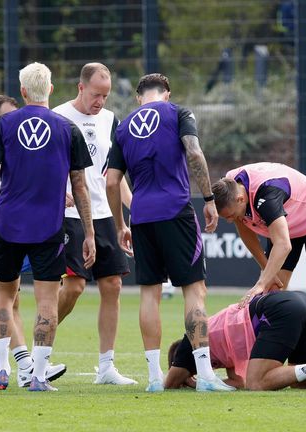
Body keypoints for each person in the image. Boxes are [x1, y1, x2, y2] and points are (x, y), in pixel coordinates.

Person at [0, 62, 96, 392]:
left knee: (3, 296)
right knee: (46, 301)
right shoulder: (68, 128)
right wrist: (90, 232)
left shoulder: (4, 125)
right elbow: (80, 186)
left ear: (23, 91)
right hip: (48, 227)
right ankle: (38, 376)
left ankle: (1, 370)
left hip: (9, 224)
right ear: (51, 90)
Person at [106, 73, 234, 392]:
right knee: (194, 289)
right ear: (167, 93)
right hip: (176, 210)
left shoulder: (123, 127)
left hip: (142, 216)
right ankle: (205, 375)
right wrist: (208, 199)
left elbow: (110, 181)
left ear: (139, 97)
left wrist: (121, 223)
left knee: (150, 292)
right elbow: (193, 152)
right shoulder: (178, 113)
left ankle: (153, 379)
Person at [0, 95, 66, 390]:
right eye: (7, 117)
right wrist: (28, 199)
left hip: (1, 232)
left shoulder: (2, 143)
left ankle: (24, 366)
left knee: (11, 301)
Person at [53, 63, 136, 386]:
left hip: (104, 215)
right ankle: (40, 347)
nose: (100, 101)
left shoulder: (110, 120)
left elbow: (113, 174)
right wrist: (59, 193)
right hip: (71, 216)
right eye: (95, 94)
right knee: (73, 287)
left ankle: (106, 367)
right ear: (80, 87)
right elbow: (45, 166)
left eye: (105, 95)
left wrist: (130, 211)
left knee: (112, 286)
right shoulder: (59, 117)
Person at [211, 162, 306, 360]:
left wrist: (260, 282)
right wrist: (266, 271)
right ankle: (269, 357)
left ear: (240, 199)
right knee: (273, 291)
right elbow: (244, 229)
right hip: (285, 224)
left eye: (230, 216)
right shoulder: (229, 185)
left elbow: (283, 245)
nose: (230, 220)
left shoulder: (267, 194)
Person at [166, 290, 306, 392]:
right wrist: (205, 381)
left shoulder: (190, 340)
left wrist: (188, 382)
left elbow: (170, 383)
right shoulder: (216, 347)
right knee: (299, 379)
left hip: (278, 310)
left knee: (258, 382)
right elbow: (238, 383)